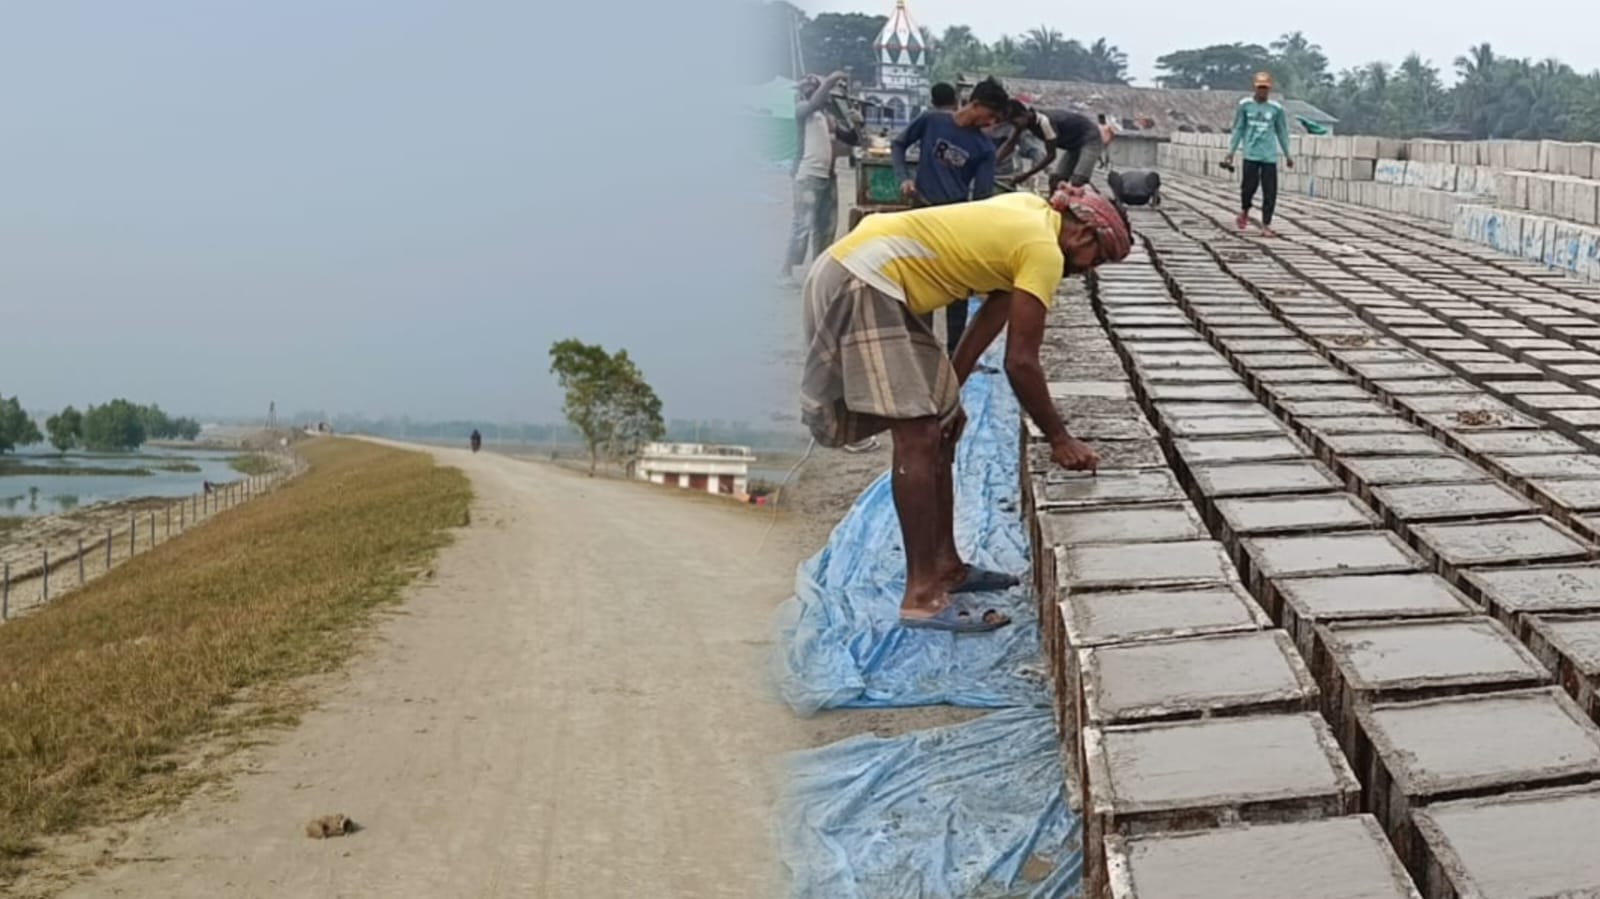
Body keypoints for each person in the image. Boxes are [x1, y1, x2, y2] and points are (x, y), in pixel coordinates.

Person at [799, 185, 1132, 632]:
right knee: (917, 436)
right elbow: (1021, 362)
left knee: (939, 422)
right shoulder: (1044, 251)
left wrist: (949, 392)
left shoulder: (1031, 214)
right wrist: (1059, 438)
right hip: (865, 280)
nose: (1088, 272)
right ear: (1085, 236)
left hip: (876, 275)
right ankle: (921, 596)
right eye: (1098, 260)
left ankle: (947, 567)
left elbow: (994, 312)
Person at [891, 76, 1010, 357]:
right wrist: (903, 178)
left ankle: (956, 355)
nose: (990, 123)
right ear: (976, 104)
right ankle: (922, 352)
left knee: (956, 290)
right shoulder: (932, 121)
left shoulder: (984, 149)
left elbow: (981, 198)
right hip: (921, 213)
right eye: (990, 115)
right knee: (921, 284)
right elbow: (898, 145)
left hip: (954, 223)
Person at [778, 71, 861, 287]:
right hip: (807, 175)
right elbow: (814, 103)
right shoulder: (803, 111)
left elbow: (852, 139)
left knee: (826, 228)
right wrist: (831, 80)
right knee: (802, 226)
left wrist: (856, 122)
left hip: (828, 176)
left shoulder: (829, 118)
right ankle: (785, 272)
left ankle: (818, 273)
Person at [1225, 72, 1295, 237]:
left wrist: (1288, 154)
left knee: (1270, 191)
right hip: (1251, 154)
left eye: (1265, 88)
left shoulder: (1276, 109)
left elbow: (1282, 132)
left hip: (1269, 156)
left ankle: (1266, 224)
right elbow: (1238, 129)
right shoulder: (1245, 106)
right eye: (1260, 88)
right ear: (1255, 88)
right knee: (1248, 188)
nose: (1263, 91)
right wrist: (1231, 151)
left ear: (1269, 89)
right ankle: (1245, 210)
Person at [998, 104, 1115, 190]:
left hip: (1089, 139)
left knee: (1078, 181)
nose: (1014, 126)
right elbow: (1010, 144)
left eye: (1015, 122)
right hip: (1073, 145)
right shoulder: (1023, 123)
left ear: (1024, 115)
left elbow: (1051, 156)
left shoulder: (1045, 123)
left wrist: (1026, 174)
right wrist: (993, 162)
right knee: (1056, 180)